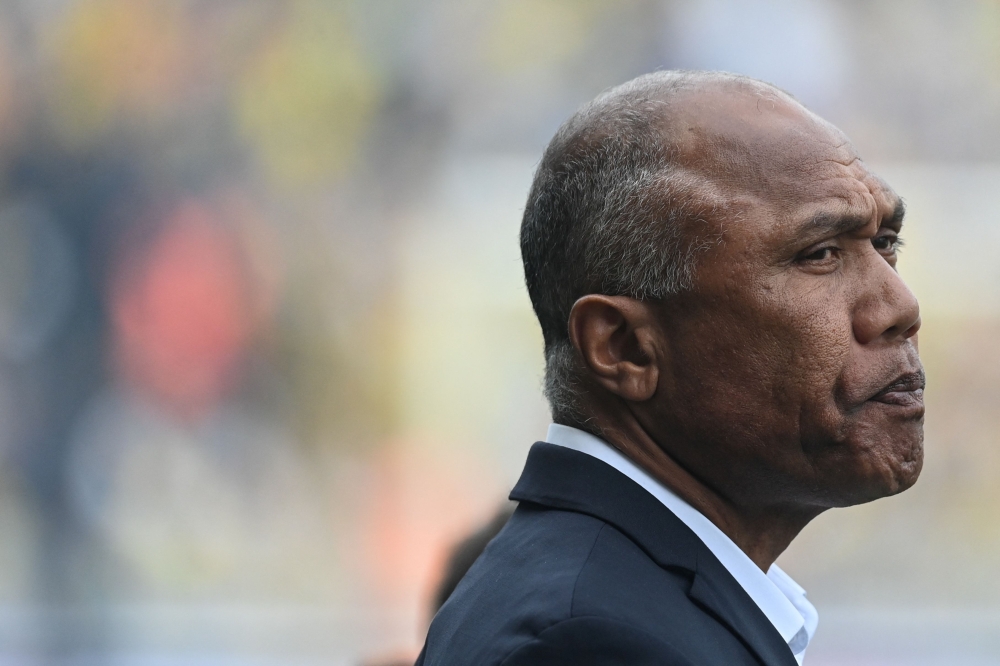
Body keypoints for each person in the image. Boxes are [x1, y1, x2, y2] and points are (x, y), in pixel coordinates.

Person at [416, 70, 924, 665]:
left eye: (885, 243)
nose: (900, 307)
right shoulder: (587, 642)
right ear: (624, 347)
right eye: (820, 254)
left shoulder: (629, 602)